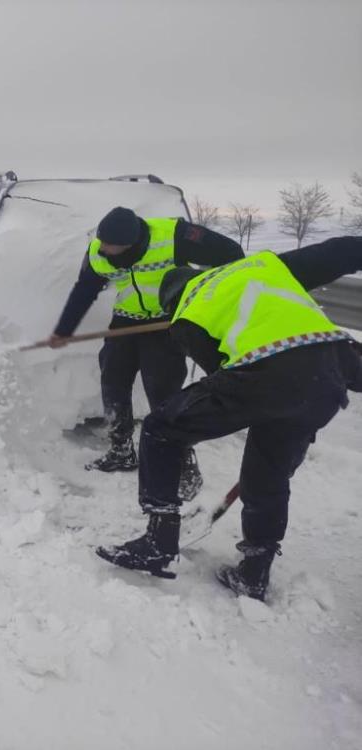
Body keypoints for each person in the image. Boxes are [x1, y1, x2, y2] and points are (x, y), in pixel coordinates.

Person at [96, 236, 362, 600]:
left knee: (160, 428)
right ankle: (254, 571)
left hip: (270, 371)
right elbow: (340, 251)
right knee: (267, 473)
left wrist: (261, 400)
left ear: (172, 301)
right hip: (333, 366)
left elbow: (224, 377)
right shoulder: (261, 266)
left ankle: (159, 541)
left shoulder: (187, 312)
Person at [49, 207, 244, 495]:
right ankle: (121, 450)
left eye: (110, 245)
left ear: (130, 242)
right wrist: (64, 330)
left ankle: (182, 463)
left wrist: (201, 296)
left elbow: (231, 254)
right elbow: (84, 291)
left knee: (163, 394)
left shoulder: (174, 236)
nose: (102, 249)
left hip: (166, 325)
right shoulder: (97, 253)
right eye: (102, 242)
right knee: (113, 383)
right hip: (125, 322)